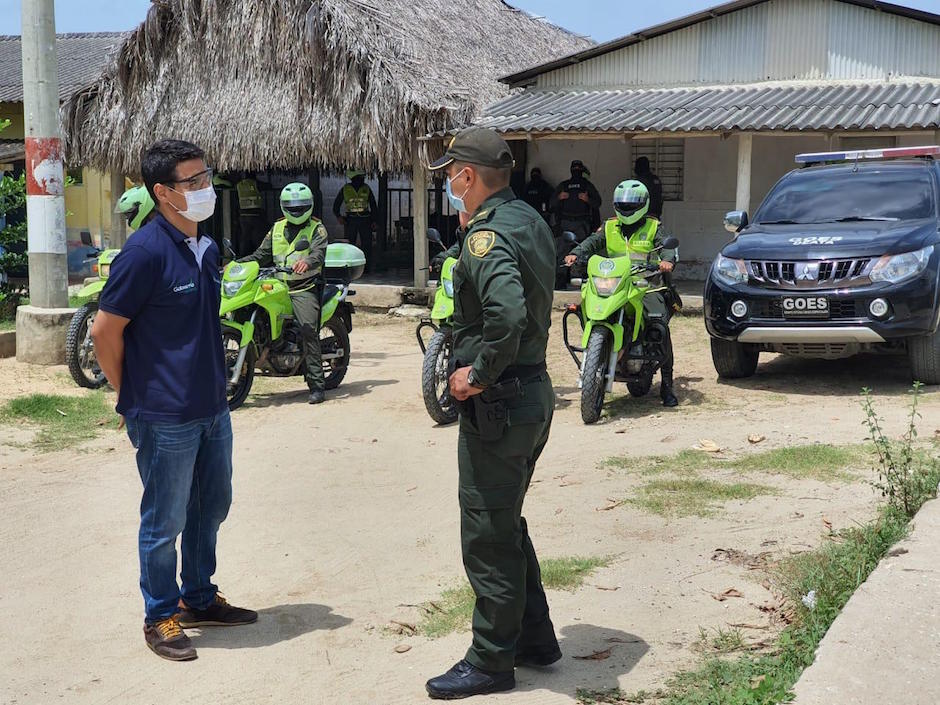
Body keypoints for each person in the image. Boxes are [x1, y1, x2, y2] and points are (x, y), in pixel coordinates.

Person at [91, 139, 257, 662]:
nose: (206, 188)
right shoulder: (144, 253)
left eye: (207, 177)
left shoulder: (204, 247)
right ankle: (160, 613)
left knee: (212, 506)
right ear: (164, 193)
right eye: (193, 182)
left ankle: (199, 598)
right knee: (165, 520)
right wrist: (129, 397)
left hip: (211, 406)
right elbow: (103, 332)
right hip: (164, 415)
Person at [425, 126, 559, 700]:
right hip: (531, 395)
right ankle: (534, 639)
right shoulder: (525, 220)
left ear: (468, 177)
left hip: (501, 404)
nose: (450, 183)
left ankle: (490, 660)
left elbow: (505, 314)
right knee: (505, 520)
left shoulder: (486, 238)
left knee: (486, 529)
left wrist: (475, 374)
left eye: (452, 173)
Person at [564, 179, 679, 407]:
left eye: (632, 205)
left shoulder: (654, 227)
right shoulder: (609, 227)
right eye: (623, 205)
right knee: (588, 305)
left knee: (659, 328)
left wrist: (666, 260)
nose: (627, 210)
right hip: (614, 283)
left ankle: (667, 385)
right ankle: (601, 351)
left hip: (645, 285)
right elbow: (591, 242)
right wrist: (575, 253)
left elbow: (667, 247)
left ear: (644, 204)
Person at [238, 183, 329, 404]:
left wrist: (306, 262)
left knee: (308, 328)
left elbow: (318, 254)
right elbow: (261, 255)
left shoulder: (317, 229)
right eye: (291, 206)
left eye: (300, 206)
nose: (296, 210)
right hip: (278, 284)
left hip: (304, 287)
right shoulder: (276, 228)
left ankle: (317, 384)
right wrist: (236, 264)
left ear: (309, 206)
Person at [332, 169, 377, 272]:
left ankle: (366, 268)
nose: (361, 180)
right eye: (360, 178)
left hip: (365, 219)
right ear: (354, 178)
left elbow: (373, 206)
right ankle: (350, 267)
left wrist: (374, 221)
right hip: (350, 220)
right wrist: (339, 217)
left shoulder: (366, 188)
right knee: (349, 244)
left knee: (367, 245)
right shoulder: (345, 189)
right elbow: (336, 206)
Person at [550, 159, 601, 241]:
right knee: (564, 249)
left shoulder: (587, 185)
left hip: (582, 224)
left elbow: (598, 203)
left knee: (581, 249)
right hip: (565, 223)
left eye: (578, 168)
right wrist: (559, 197)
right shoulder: (564, 185)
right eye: (574, 168)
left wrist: (587, 199)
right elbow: (552, 202)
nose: (576, 170)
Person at [235, 173, 268, 256]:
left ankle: (243, 256)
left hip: (243, 215)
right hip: (255, 214)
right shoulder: (254, 183)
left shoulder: (239, 184)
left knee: (245, 237)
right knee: (258, 237)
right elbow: (268, 186)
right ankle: (259, 255)